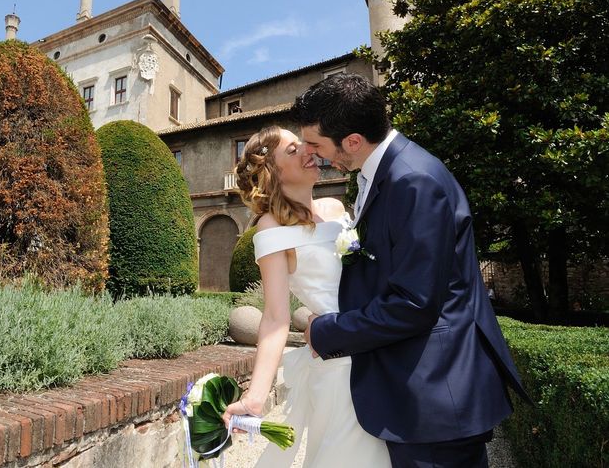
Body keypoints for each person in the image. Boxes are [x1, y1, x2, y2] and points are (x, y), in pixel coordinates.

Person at [295, 73, 530, 467]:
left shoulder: (413, 180)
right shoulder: (385, 172)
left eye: (316, 144)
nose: (313, 154)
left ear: (353, 140)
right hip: (415, 391)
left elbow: (413, 303)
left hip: (435, 395)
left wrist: (327, 330)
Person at [221, 125, 391, 467]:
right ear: (271, 172)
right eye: (293, 149)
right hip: (340, 368)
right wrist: (255, 397)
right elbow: (274, 318)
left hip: (382, 350)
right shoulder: (271, 228)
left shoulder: (336, 207)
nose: (308, 151)